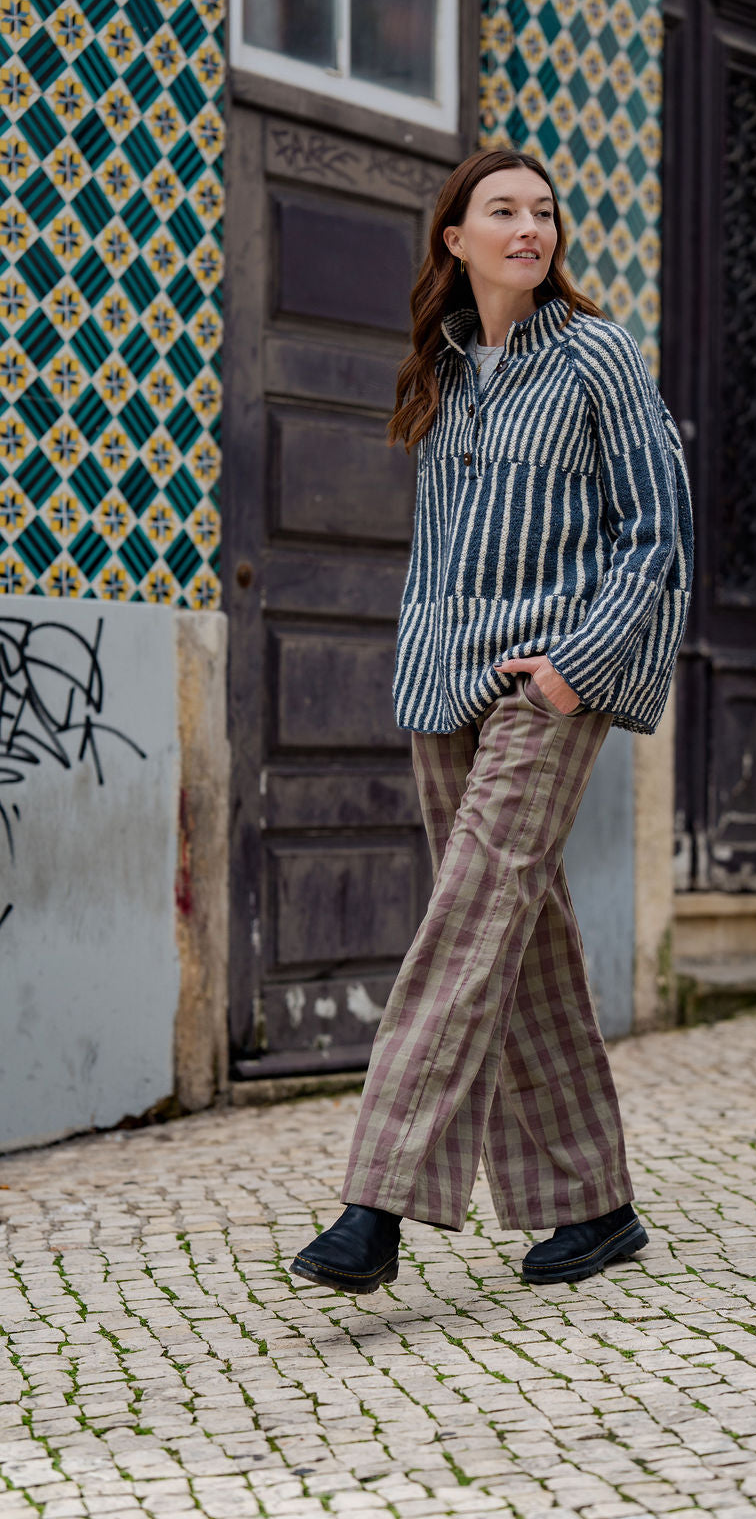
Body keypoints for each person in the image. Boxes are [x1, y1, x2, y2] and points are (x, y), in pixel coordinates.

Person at [290, 146, 692, 1294]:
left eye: (544, 213)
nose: (530, 229)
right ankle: (592, 1203)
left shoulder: (597, 356)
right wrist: (420, 654)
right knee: (520, 930)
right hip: (442, 682)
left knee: (468, 917)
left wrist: (574, 668)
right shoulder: (446, 370)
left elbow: (658, 532)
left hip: (547, 679)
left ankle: (376, 1204)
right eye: (502, 212)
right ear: (454, 240)